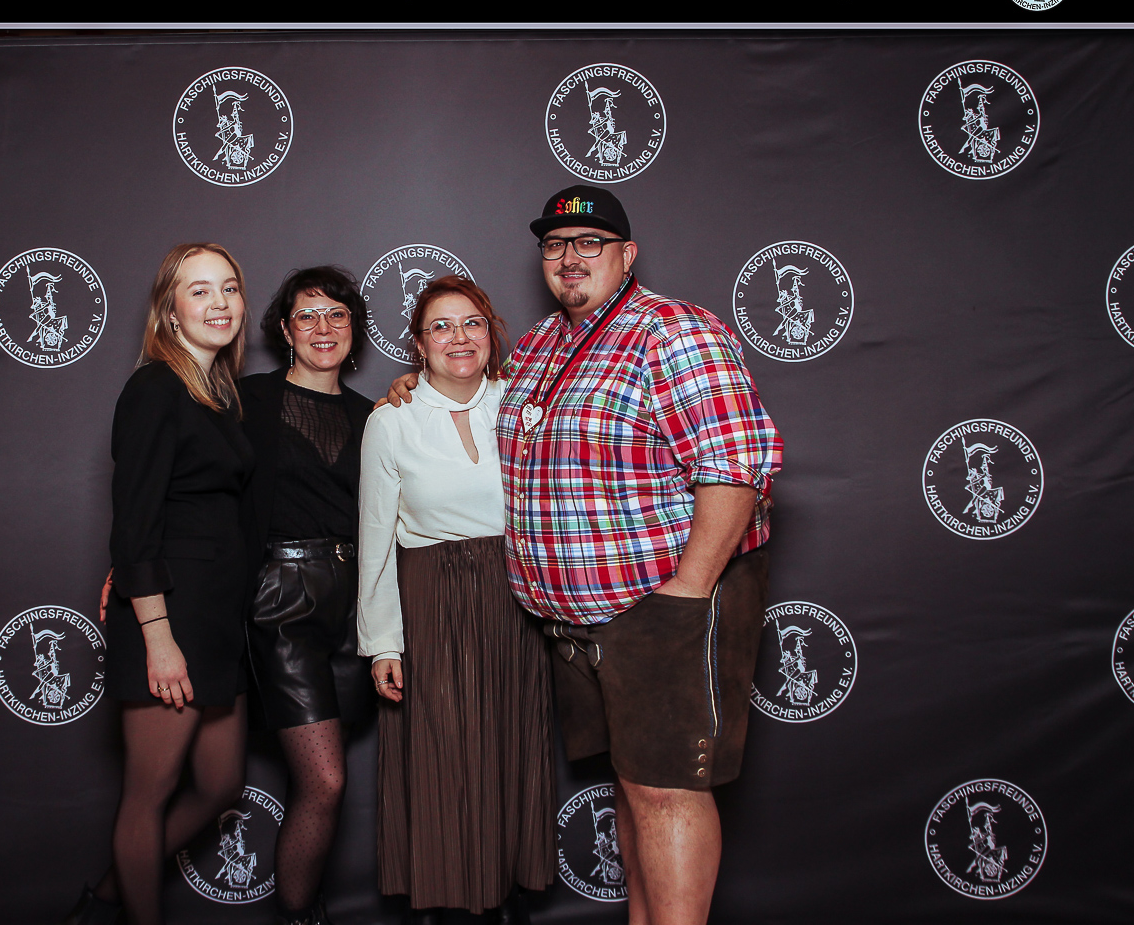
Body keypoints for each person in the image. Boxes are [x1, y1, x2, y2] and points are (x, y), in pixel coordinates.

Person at [388, 187, 782, 925]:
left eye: (590, 243)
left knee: (667, 790)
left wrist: (689, 591)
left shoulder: (673, 331)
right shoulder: (540, 345)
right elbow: (477, 403)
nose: (570, 257)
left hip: (662, 602)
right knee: (635, 786)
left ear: (627, 255)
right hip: (578, 623)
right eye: (555, 245)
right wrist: (419, 384)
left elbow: (737, 465)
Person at [358, 276, 554, 922]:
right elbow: (376, 539)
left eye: (471, 323)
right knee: (443, 756)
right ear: (418, 344)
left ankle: (504, 897)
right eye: (440, 326)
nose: (458, 337)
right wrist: (383, 643)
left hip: (516, 602)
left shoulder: (525, 404)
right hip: (431, 603)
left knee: (510, 748)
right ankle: (443, 902)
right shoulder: (391, 421)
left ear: (491, 333)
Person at [74, 243, 255, 925]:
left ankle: (104, 900)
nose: (219, 303)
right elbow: (135, 522)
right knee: (148, 794)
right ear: (170, 311)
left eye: (229, 288)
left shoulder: (217, 395)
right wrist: (157, 636)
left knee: (221, 785)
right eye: (199, 290)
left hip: (215, 621)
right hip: (170, 620)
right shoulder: (155, 388)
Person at [237, 267, 375, 925]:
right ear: (286, 331)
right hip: (282, 603)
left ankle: (304, 904)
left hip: (355, 608)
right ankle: (299, 917)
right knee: (325, 779)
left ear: (354, 331)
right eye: (308, 316)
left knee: (320, 780)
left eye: (337, 315)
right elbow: (193, 488)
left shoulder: (374, 416)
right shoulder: (248, 401)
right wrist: (137, 563)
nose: (324, 328)